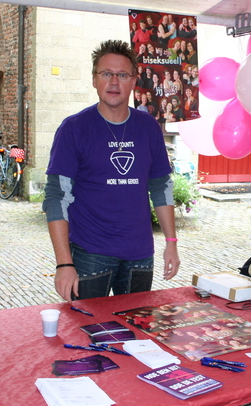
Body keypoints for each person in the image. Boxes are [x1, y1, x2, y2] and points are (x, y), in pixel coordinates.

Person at [43, 39, 180, 302]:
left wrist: (171, 244)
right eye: (106, 74)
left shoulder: (148, 127)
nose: (114, 82)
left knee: (136, 333)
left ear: (133, 81)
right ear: (94, 79)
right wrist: (64, 263)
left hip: (140, 255)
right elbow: (56, 198)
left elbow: (161, 187)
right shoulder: (74, 128)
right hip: (89, 254)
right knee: (87, 332)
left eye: (122, 75)